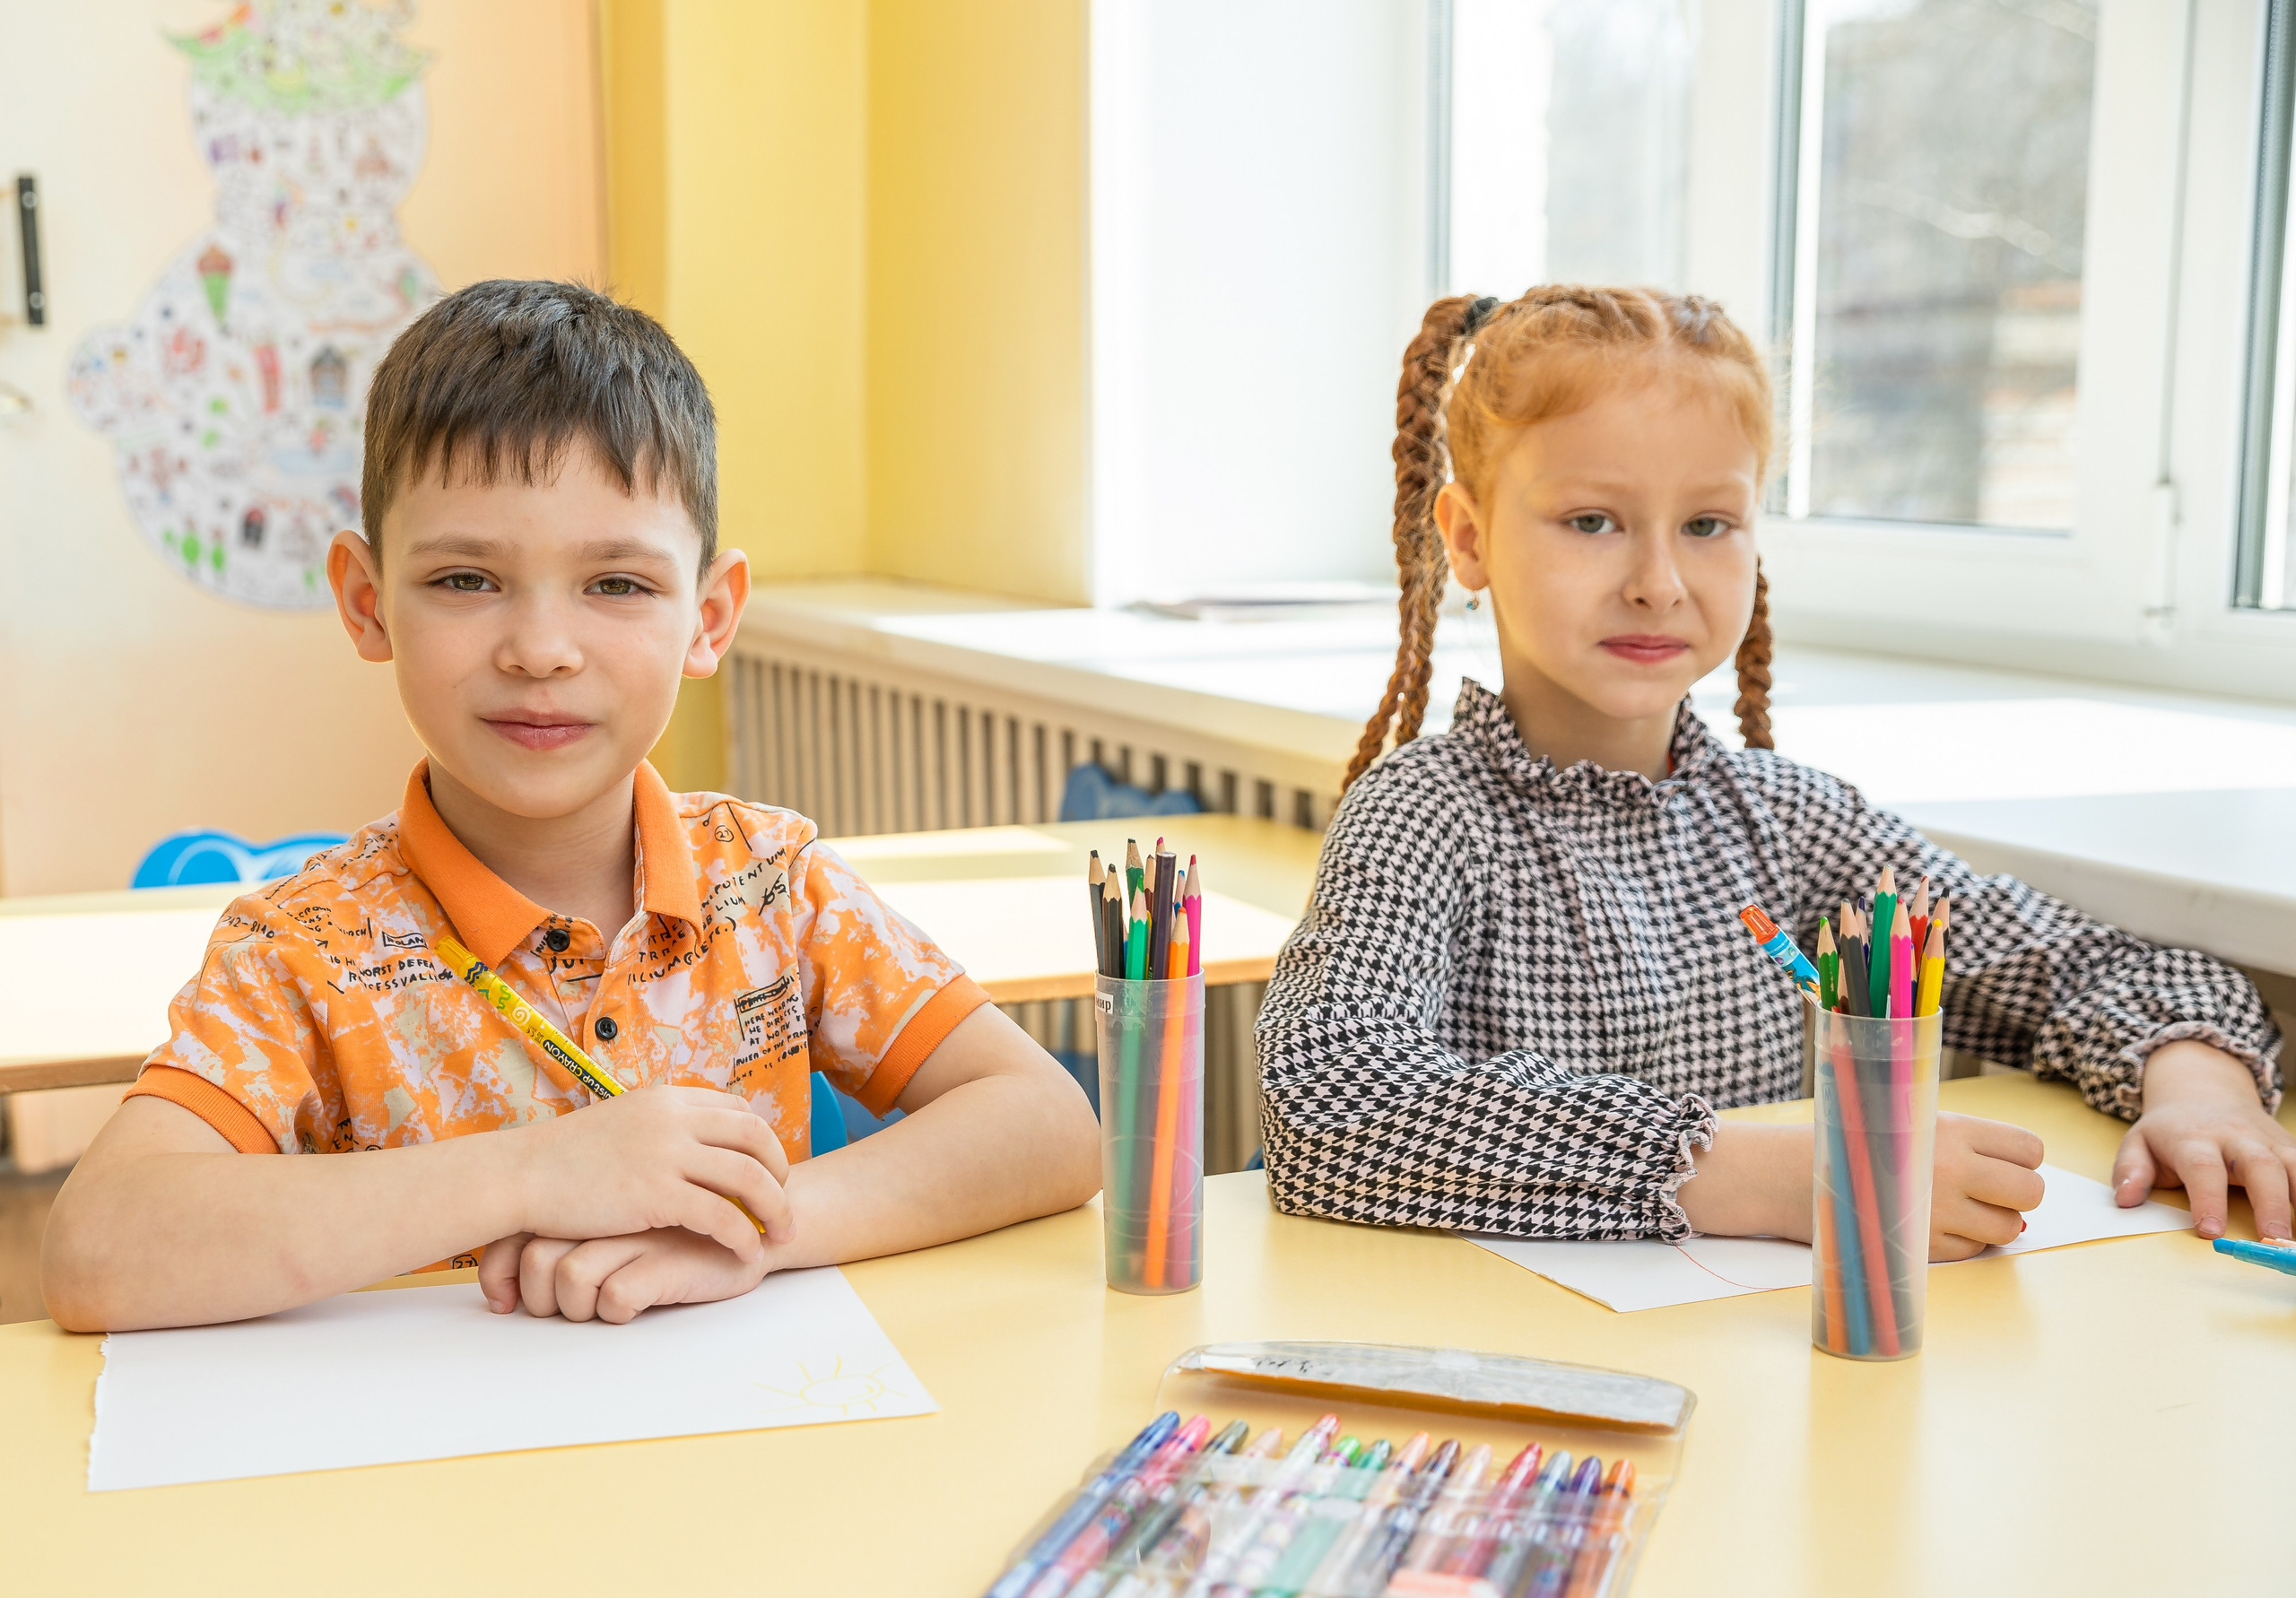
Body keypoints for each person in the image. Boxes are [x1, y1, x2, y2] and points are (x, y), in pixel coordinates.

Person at [42, 281, 1100, 1331]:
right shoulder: (302, 952)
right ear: (368, 604)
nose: (540, 650)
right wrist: (536, 1173)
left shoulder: (773, 883)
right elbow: (101, 1250)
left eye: (618, 585)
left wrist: (752, 1232)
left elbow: (1049, 1125)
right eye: (465, 579)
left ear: (709, 616)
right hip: (431, 1473)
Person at [1256, 286, 2289, 1257]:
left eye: (1706, 526)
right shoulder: (1423, 818)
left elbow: (2079, 965)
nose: (1658, 584)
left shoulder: (1784, 819)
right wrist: (1768, 1178)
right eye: (1591, 522)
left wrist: (2198, 1083)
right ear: (1469, 538)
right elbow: (1329, 1098)